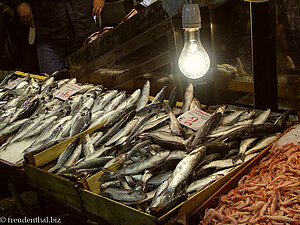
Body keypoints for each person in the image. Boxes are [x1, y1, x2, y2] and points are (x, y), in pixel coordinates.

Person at [10, 0, 105, 75]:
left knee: (94, 84)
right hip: (48, 34)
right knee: (52, 88)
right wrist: (19, 3)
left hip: (84, 30)